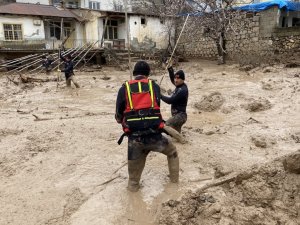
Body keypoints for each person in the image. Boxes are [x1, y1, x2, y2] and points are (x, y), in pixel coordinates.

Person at [115, 60, 179, 192]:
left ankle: (133, 203)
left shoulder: (123, 89)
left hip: (135, 141)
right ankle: (174, 184)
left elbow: (118, 117)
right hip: (155, 137)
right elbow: (155, 109)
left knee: (133, 182)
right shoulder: (154, 87)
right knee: (172, 152)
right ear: (148, 74)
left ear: (134, 74)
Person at [161, 64, 188, 133]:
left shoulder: (182, 90)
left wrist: (159, 95)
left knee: (165, 126)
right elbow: (172, 79)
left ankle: (183, 141)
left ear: (183, 79)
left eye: (178, 79)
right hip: (176, 116)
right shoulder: (179, 85)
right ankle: (180, 138)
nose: (176, 80)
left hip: (180, 116)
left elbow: (170, 101)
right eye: (175, 78)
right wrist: (170, 69)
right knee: (174, 133)